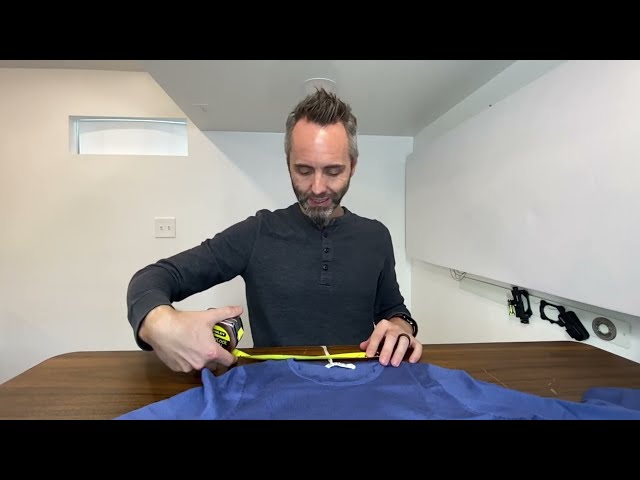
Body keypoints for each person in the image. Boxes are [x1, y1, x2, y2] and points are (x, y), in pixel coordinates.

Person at [126, 88, 422, 374]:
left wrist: (401, 327)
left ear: (353, 166)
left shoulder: (376, 236)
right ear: (288, 164)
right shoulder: (257, 233)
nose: (318, 187)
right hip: (274, 391)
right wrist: (160, 323)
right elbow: (153, 278)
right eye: (304, 170)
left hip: (359, 387)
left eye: (333, 171)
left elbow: (393, 309)